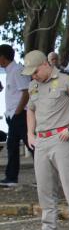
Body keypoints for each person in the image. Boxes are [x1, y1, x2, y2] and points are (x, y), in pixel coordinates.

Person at [23, 50, 69, 230]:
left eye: (35, 71)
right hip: (41, 140)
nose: (33, 76)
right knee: (44, 189)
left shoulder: (67, 79)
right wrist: (30, 133)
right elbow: (30, 110)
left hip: (62, 138)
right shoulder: (34, 85)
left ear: (45, 64)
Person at [1, 44, 30, 187]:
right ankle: (11, 177)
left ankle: (45, 175)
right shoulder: (10, 71)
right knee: (12, 146)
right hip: (13, 115)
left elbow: (26, 92)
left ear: (3, 57)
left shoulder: (17, 70)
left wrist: (18, 112)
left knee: (31, 145)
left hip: (20, 114)